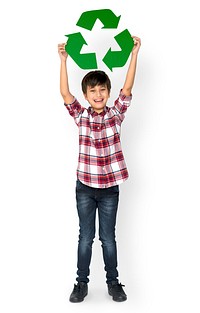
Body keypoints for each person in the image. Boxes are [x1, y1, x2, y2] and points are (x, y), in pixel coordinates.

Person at [58, 35, 141, 303]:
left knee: (108, 238)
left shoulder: (115, 114)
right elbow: (65, 94)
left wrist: (134, 54)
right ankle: (81, 283)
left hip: (109, 190)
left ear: (107, 91)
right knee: (85, 237)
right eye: (92, 91)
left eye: (102, 90)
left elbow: (127, 89)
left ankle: (113, 282)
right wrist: (63, 61)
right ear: (86, 95)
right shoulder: (80, 115)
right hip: (84, 188)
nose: (98, 95)